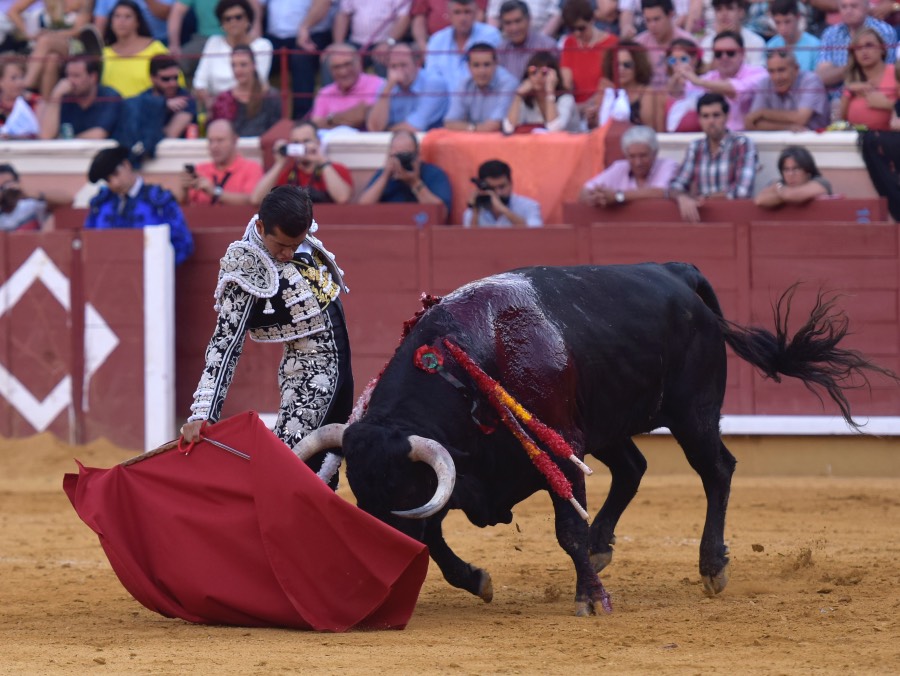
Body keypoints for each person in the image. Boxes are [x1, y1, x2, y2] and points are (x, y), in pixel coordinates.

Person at [180, 185, 353, 471]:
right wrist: (203, 412)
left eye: (294, 245)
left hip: (341, 367)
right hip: (308, 371)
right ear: (261, 227)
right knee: (289, 465)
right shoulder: (246, 265)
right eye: (280, 245)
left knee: (326, 464)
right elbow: (225, 343)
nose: (287, 253)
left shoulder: (294, 229)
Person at [84, 145, 194, 265]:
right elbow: (89, 243)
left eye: (116, 174)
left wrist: (158, 268)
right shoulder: (101, 205)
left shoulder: (159, 201)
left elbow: (183, 244)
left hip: (151, 277)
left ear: (126, 165)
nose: (115, 183)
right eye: (108, 180)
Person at [668, 92, 758, 222]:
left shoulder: (742, 144)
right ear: (699, 119)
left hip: (734, 218)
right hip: (703, 221)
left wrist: (703, 198)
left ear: (727, 117)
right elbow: (676, 186)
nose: (711, 121)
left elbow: (742, 191)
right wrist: (682, 198)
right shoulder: (695, 147)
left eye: (716, 115)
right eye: (705, 116)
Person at [262, 0, 336, 120]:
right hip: (274, 38)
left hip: (312, 33)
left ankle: (302, 120)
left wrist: (305, 27)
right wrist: (255, 29)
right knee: (256, 55)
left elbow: (323, 3)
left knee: (301, 58)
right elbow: (256, 4)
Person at [682, 30, 768, 131]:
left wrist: (699, 82)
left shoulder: (759, 73)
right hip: (714, 136)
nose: (724, 57)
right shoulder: (711, 77)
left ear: (742, 54)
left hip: (751, 137)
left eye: (730, 53)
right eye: (718, 54)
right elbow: (683, 92)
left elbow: (736, 90)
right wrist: (678, 77)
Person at [192, 0, 272, 107]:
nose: (233, 22)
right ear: (222, 24)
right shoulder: (213, 43)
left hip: (247, 104)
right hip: (216, 106)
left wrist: (227, 100)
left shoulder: (263, 46)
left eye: (238, 17)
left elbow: (258, 80)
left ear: (248, 19)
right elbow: (199, 81)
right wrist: (211, 104)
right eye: (227, 19)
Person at [356, 130, 452, 219]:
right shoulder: (384, 174)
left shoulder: (433, 174)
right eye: (395, 156)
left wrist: (415, 183)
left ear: (418, 156)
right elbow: (361, 210)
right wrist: (385, 176)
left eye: (405, 156)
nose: (399, 162)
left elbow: (441, 214)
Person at [251, 121, 353, 204]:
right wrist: (279, 164)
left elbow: (342, 198)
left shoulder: (336, 169)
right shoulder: (287, 173)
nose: (302, 146)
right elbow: (256, 199)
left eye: (306, 141)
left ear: (318, 142)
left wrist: (322, 161)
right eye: (296, 143)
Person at [9, 0, 94, 99]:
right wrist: (29, 34)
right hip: (45, 49)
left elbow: (78, 30)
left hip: (71, 45)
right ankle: (47, 105)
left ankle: (26, 85)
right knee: (51, 59)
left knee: (45, 41)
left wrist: (51, 34)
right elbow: (13, 11)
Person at [579, 125, 679, 207]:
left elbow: (662, 192)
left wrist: (618, 197)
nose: (638, 162)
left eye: (643, 156)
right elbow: (584, 191)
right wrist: (596, 197)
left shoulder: (667, 165)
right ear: (625, 155)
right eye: (632, 156)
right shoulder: (619, 167)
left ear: (654, 153)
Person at [365, 42, 450, 132]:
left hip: (430, 141)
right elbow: (374, 128)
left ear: (417, 64)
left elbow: (414, 127)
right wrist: (388, 89)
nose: (399, 71)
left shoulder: (434, 84)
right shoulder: (386, 87)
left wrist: (385, 131)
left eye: (403, 65)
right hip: (395, 141)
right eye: (393, 66)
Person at [559, 0, 618, 121]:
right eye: (572, 29)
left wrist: (589, 106)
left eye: (581, 28)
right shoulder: (569, 43)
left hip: (602, 109)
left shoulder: (612, 43)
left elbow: (611, 84)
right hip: (576, 111)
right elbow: (566, 83)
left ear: (591, 20)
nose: (577, 33)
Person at [815, 0, 896, 90]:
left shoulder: (884, 31)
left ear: (867, 7)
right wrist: (854, 66)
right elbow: (822, 77)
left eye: (854, 6)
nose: (848, 11)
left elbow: (887, 74)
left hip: (873, 93)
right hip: (836, 97)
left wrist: (839, 72)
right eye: (844, 7)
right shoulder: (830, 33)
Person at [101, 0, 173, 98]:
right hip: (113, 111)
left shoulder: (155, 49)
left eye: (128, 17)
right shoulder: (103, 54)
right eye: (117, 16)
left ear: (137, 22)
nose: (121, 21)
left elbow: (173, 83)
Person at [181, 119, 263, 205]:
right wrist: (184, 190)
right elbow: (183, 206)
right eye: (210, 141)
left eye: (220, 140)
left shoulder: (251, 168)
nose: (214, 146)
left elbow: (252, 201)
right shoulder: (200, 169)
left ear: (234, 140)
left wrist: (215, 192)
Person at [39, 55, 123, 139]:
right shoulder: (64, 97)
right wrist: (56, 96)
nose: (70, 81)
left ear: (93, 77)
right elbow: (46, 136)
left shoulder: (109, 97)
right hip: (69, 151)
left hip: (103, 151)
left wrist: (66, 142)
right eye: (67, 75)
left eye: (76, 76)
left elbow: (98, 135)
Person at [745, 48, 829, 130]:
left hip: (815, 141)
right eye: (771, 71)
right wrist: (787, 127)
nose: (776, 77)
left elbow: (801, 119)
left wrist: (763, 113)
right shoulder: (764, 83)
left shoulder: (811, 81)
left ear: (796, 69)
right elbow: (751, 123)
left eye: (781, 70)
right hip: (777, 141)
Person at [423, 0, 501, 88]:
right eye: (457, 12)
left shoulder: (490, 35)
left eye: (467, 12)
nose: (462, 18)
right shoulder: (437, 40)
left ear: (475, 13)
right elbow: (431, 78)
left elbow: (497, 74)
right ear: (449, 15)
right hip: (444, 100)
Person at [208, 44, 281, 137]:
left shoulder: (271, 96)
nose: (237, 70)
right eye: (234, 65)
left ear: (254, 66)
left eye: (243, 65)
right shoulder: (223, 98)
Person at [443, 42, 518, 131]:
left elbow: (494, 126)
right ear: (468, 67)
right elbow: (449, 123)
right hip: (476, 140)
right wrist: (474, 128)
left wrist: (467, 127)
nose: (482, 71)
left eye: (487, 65)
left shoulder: (508, 83)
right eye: (476, 65)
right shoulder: (465, 84)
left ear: (496, 64)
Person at [310, 43, 384, 130]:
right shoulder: (325, 92)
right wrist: (337, 118)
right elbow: (315, 125)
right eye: (337, 67)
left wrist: (329, 120)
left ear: (359, 63)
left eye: (347, 64)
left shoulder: (378, 84)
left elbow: (364, 117)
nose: (343, 72)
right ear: (330, 70)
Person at [503, 50, 580, 132]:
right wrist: (518, 96)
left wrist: (550, 91)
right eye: (533, 71)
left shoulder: (566, 98)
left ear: (554, 75)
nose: (538, 76)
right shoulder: (527, 99)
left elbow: (554, 129)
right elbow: (508, 128)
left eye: (544, 72)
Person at [839, 27, 896, 129]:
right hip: (855, 140)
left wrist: (888, 104)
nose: (864, 52)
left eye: (869, 45)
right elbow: (840, 121)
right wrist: (848, 92)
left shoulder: (896, 73)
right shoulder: (852, 80)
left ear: (882, 49)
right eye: (858, 48)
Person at [129, 54, 196, 141]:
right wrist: (162, 104)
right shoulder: (144, 97)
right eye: (166, 79)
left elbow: (170, 136)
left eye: (175, 78)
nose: (173, 83)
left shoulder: (185, 99)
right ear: (152, 78)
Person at [598, 40, 663, 129]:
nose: (621, 69)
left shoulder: (647, 92)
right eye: (617, 65)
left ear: (638, 65)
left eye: (627, 65)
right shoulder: (606, 90)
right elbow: (599, 126)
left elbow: (650, 128)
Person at [634, 0, 697, 89]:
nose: (652, 25)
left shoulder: (689, 41)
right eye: (648, 20)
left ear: (670, 15)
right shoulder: (638, 44)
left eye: (657, 19)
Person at [463, 158, 542, 227]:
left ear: (511, 183)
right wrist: (475, 213)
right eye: (492, 188)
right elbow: (469, 240)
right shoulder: (473, 211)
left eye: (502, 187)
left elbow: (535, 233)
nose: (498, 193)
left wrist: (503, 210)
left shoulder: (529, 206)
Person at [495, 0, 557, 80]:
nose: (514, 28)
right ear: (502, 25)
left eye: (518, 21)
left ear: (528, 19)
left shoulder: (547, 46)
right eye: (508, 23)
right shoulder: (500, 51)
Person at [754, 145, 834, 207]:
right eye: (786, 170)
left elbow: (792, 195)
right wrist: (785, 194)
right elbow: (760, 199)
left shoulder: (821, 182)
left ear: (807, 170)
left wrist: (779, 191)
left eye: (796, 169)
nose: (790, 174)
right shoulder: (781, 183)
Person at [0, 162, 70, 231]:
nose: (4, 191)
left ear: (18, 183)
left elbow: (68, 200)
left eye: (8, 184)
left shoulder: (30, 205)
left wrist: (36, 194)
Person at [699, 0, 766, 68]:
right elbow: (705, 73)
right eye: (719, 9)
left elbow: (758, 74)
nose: (724, 14)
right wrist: (719, 39)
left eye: (729, 8)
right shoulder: (707, 42)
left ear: (741, 12)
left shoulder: (756, 42)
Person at [411, 0, 488, 53]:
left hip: (474, 41)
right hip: (431, 42)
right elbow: (418, 20)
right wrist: (425, 50)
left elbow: (479, 14)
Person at [765, 0, 821, 72]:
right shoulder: (771, 46)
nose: (783, 28)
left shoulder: (815, 46)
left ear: (798, 17)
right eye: (777, 23)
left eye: (787, 22)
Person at [664, 37, 705, 131]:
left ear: (694, 59)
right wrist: (677, 77)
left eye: (683, 59)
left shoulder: (706, 80)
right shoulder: (668, 84)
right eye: (673, 60)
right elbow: (673, 91)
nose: (678, 64)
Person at [94, 0, 172, 45]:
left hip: (160, 40)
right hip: (116, 42)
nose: (122, 20)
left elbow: (165, 14)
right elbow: (99, 27)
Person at [0, 57, 42, 138]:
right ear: (1, 81)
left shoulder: (34, 101)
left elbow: (41, 133)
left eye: (22, 77)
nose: (19, 83)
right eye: (14, 78)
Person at [487, 0, 561, 35]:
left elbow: (556, 14)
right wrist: (496, 38)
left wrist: (541, 38)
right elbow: (493, 16)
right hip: (507, 37)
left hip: (543, 34)